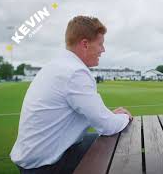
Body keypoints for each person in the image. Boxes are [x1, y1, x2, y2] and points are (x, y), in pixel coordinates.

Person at [10, 16, 133, 174]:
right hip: (45, 166)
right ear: (85, 44)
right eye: (100, 44)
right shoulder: (75, 72)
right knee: (119, 142)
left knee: (104, 141)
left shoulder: (59, 65)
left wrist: (108, 115)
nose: (103, 50)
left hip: (36, 158)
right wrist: (125, 117)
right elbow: (107, 126)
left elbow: (92, 113)